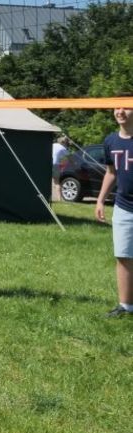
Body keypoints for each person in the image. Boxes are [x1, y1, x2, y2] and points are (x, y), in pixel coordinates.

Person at [94, 104, 133, 317]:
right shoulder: (111, 141)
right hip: (123, 207)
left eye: (126, 107)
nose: (120, 111)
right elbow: (111, 172)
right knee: (123, 256)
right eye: (116, 107)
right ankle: (126, 306)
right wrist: (100, 200)